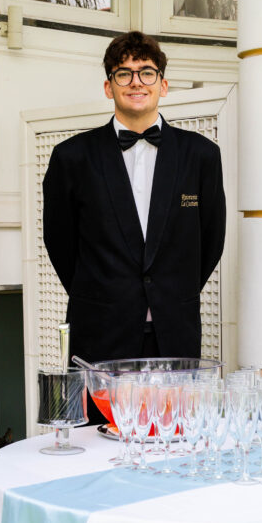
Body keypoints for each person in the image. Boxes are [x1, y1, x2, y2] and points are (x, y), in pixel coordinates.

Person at [42, 31, 226, 372]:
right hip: (100, 329)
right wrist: (104, 293)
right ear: (109, 87)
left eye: (146, 72)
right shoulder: (71, 157)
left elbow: (211, 240)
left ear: (163, 85)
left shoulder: (201, 155)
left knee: (175, 423)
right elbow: (59, 242)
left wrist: (168, 292)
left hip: (175, 330)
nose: (136, 82)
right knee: (100, 426)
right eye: (123, 73)